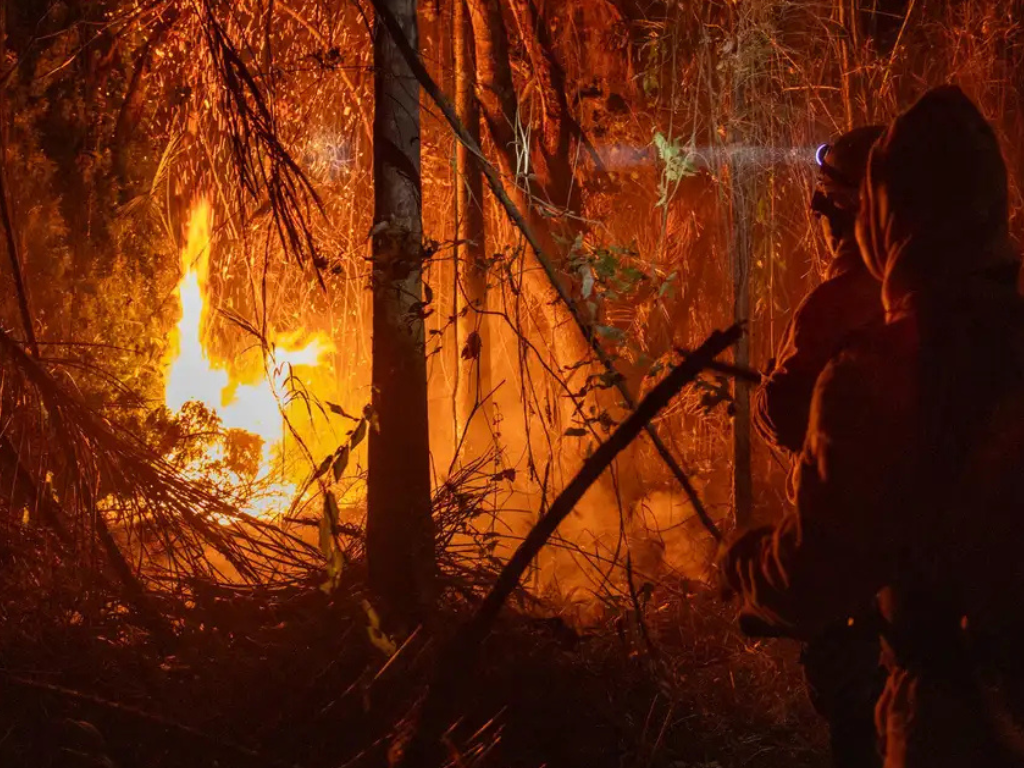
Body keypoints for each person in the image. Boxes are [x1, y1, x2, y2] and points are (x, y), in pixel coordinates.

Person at [720, 84, 1024, 768]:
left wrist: (745, 566)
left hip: (955, 722)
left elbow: (816, 574)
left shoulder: (878, 374)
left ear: (885, 218)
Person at [753, 125, 887, 768]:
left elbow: (789, 418)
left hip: (868, 596)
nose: (819, 215)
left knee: (862, 728)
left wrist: (750, 570)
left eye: (832, 201)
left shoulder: (838, 307)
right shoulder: (978, 300)